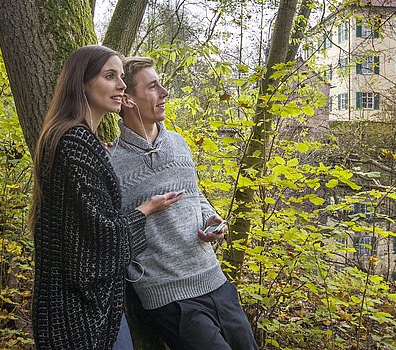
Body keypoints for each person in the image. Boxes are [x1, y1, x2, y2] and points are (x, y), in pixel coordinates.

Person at [29, 45, 183, 350]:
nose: (121, 85)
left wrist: (102, 163)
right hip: (75, 313)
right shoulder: (75, 143)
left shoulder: (79, 140)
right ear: (82, 82)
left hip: (86, 305)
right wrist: (146, 209)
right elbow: (103, 238)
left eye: (122, 77)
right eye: (109, 76)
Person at [109, 56, 259, 350]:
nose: (165, 93)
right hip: (170, 296)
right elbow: (113, 235)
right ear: (127, 99)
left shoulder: (179, 143)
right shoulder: (111, 163)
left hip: (215, 279)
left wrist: (212, 220)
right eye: (153, 87)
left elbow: (195, 196)